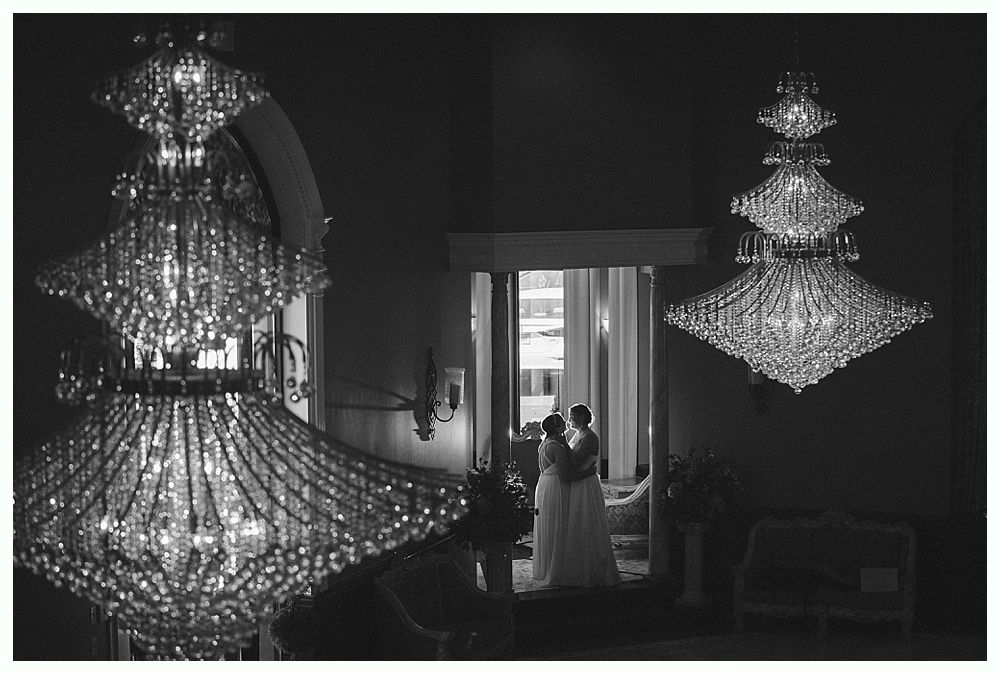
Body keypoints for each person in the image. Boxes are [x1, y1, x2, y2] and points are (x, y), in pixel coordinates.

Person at [532, 412, 596, 587]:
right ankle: (557, 571)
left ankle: (547, 568)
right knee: (559, 527)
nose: (566, 423)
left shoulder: (544, 444)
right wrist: (588, 473)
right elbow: (567, 474)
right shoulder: (557, 447)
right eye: (562, 422)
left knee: (549, 526)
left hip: (544, 486)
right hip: (556, 488)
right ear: (557, 427)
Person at [562, 402, 622, 587]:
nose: (569, 419)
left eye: (572, 416)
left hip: (586, 484)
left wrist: (562, 443)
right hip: (579, 480)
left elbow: (575, 460)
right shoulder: (579, 435)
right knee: (577, 524)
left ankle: (593, 569)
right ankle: (578, 567)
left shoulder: (589, 437)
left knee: (588, 523)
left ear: (580, 417)